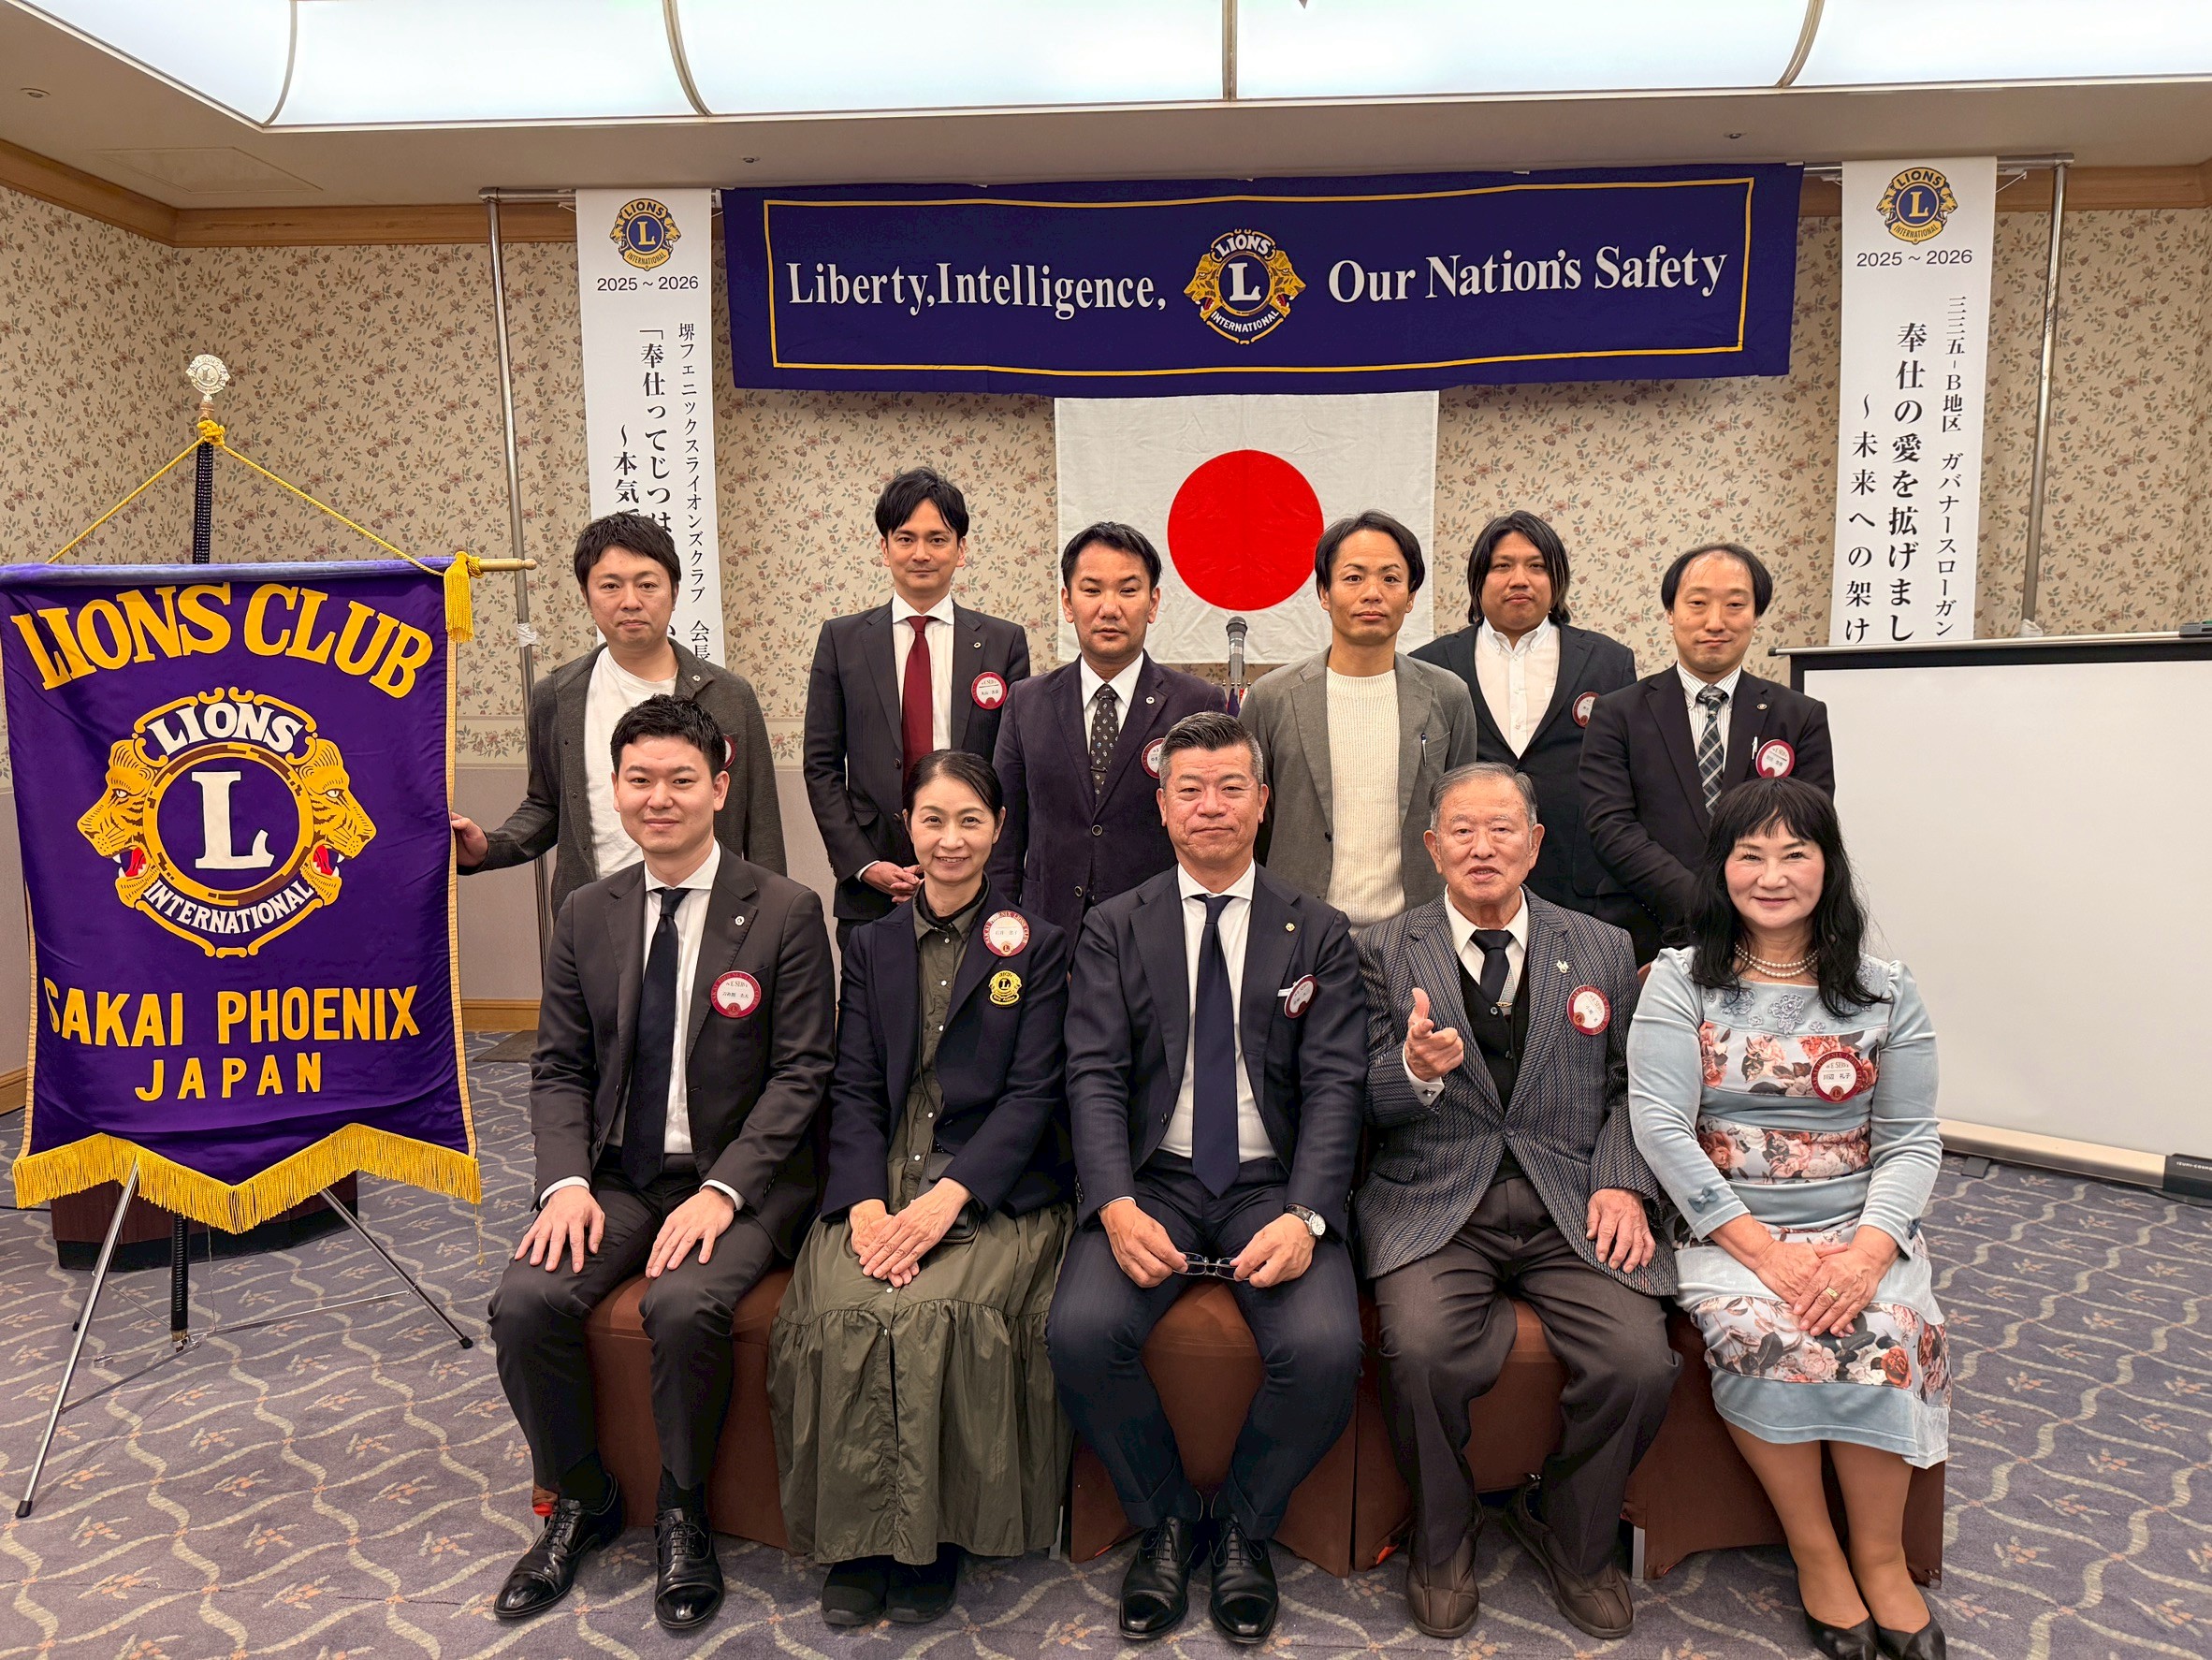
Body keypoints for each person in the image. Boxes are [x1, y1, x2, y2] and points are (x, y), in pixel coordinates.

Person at [485, 695, 834, 1635]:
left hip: (741, 1179)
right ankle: (582, 1495)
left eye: (682, 779)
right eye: (640, 779)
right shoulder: (586, 912)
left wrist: (725, 1191)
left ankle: (684, 1509)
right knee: (525, 1302)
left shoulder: (785, 911)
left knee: (682, 1307)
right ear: (614, 789)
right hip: (618, 1173)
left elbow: (804, 1074)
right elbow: (560, 1065)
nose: (660, 797)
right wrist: (564, 1182)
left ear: (720, 786)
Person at [1047, 711, 1367, 1648]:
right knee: (1080, 1334)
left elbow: (1336, 1084)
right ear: (1162, 805)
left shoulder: (1319, 930)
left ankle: (1245, 1527)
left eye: (1232, 787)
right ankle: (1166, 1519)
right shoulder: (1115, 925)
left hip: (1273, 1183)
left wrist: (1307, 1215)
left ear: (1263, 803)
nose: (1211, 806)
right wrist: (1114, 1203)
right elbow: (1093, 1075)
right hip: (1154, 1178)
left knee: (1326, 1350)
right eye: (1190, 789)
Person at [1628, 777, 1946, 1660]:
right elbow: (1660, 1128)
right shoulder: (1681, 982)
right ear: (1721, 869)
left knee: (1885, 1330)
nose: (1772, 876)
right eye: (1751, 855)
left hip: (1856, 1226)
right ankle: (1817, 1555)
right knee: (1765, 1332)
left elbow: (1912, 1140)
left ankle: (1880, 1559)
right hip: (1727, 1231)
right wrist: (1763, 1252)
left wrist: (1867, 1254)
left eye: (1795, 854)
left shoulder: (1885, 991)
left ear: (1828, 867)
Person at [1357, 762, 1677, 1642]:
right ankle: (1443, 1536)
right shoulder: (1382, 950)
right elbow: (1356, 1095)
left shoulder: (1602, 948)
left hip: (1574, 1194)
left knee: (1639, 1362)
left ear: (1535, 845)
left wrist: (1622, 1178)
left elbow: (1634, 1085)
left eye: (1502, 829)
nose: (1482, 847)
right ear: (1432, 848)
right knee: (1421, 1350)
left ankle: (1572, 1534)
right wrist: (1410, 1072)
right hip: (1435, 1196)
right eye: (1462, 831)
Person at [769, 750, 1073, 1629]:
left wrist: (950, 1200)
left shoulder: (1038, 943)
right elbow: (856, 1086)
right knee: (843, 1304)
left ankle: (932, 1537)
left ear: (999, 830)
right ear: (908, 827)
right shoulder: (869, 946)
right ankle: (858, 1539)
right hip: (882, 1171)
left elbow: (1034, 1096)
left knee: (935, 1311)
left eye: (970, 820)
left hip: (992, 1182)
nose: (950, 839)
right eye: (933, 819)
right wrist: (866, 1202)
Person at [452, 511, 783, 912]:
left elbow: (762, 827)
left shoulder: (730, 696)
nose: (630, 602)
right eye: (610, 585)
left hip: (711, 915)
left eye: (647, 584)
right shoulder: (557, 695)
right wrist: (489, 847)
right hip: (594, 917)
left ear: (675, 592)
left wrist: (773, 921)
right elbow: (547, 807)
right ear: (586, 595)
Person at [804, 468, 1032, 953]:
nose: (921, 553)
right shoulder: (842, 641)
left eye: (937, 539)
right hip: (872, 882)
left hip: (973, 873)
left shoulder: (1003, 642)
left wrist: (984, 856)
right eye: (906, 539)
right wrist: (862, 864)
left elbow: (1011, 767)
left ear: (961, 549)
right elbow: (821, 765)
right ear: (884, 548)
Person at [1580, 542, 1833, 959]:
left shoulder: (1800, 716)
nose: (1715, 622)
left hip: (1766, 933)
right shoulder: (1616, 713)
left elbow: (1808, 829)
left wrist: (1748, 903)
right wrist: (1705, 905)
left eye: (1735, 604)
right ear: (1671, 612)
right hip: (1642, 931)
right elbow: (1610, 827)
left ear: (1756, 615)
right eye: (1697, 603)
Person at [1412, 512, 1645, 952]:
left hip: (1584, 890)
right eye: (1502, 566)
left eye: (1536, 566)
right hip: (1471, 885)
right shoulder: (1430, 665)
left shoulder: (1608, 661)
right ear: (1478, 581)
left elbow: (1629, 779)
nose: (1519, 579)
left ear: (1556, 580)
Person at [1239, 510, 1479, 930]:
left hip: (1417, 933)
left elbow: (1463, 819)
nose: (1372, 593)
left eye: (1390, 578)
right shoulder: (1271, 697)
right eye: (1353, 578)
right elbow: (1253, 823)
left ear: (1410, 596)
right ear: (1324, 593)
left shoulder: (1448, 696)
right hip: (1296, 929)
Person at [990, 521, 1225, 941]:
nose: (1110, 608)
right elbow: (1004, 838)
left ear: (1153, 603)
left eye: (1128, 590)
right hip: (1049, 936)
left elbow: (1212, 835)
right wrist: (1005, 935)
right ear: (1067, 602)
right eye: (1092, 590)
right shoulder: (1026, 702)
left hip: (1161, 934)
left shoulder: (1196, 702)